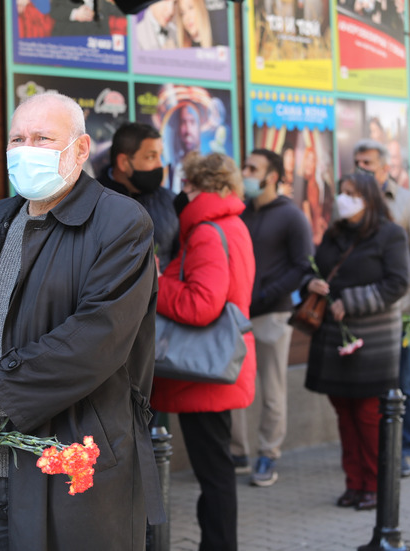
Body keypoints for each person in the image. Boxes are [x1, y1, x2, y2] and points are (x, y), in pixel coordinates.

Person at [0, 91, 165, 550]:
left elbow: (95, 337)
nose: (26, 148)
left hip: (69, 469)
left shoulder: (121, 223)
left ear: (81, 148)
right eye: (17, 138)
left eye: (42, 138)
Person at [152, 151, 257, 551]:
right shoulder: (233, 225)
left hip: (204, 370)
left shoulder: (207, 231)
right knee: (216, 470)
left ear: (195, 185)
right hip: (217, 362)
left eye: (186, 184)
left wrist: (156, 283)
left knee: (213, 474)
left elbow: (202, 303)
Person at [302, 171, 410, 512]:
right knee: (344, 415)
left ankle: (375, 487)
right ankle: (354, 484)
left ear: (369, 198)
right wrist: (310, 283)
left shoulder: (390, 234)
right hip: (333, 339)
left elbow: (397, 283)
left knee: (368, 416)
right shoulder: (333, 234)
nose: (344, 199)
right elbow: (314, 270)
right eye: (342, 193)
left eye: (352, 193)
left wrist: (350, 301)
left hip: (372, 341)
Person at [353, 139, 410, 478]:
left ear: (385, 168)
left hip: (404, 311)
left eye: (368, 164)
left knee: (404, 382)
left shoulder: (408, 203)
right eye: (357, 163)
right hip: (364, 312)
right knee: (368, 385)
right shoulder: (349, 203)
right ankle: (374, 449)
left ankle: (404, 450)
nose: (361, 169)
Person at [233, 149, 313, 487]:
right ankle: (237, 452)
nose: (246, 173)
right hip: (238, 314)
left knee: (272, 389)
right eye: (245, 166)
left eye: (253, 168)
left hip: (273, 315)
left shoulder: (292, 215)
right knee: (234, 385)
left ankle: (268, 454)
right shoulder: (240, 211)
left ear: (273, 175)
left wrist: (266, 293)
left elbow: (302, 265)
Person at [98, 122, 180, 269]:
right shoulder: (91, 201)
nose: (159, 165)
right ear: (124, 162)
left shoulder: (172, 202)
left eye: (160, 156)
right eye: (150, 157)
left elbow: (179, 261)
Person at [166, 102, 202, 193]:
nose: (188, 130)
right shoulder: (170, 168)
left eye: (192, 122)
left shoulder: (206, 170)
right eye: (183, 122)